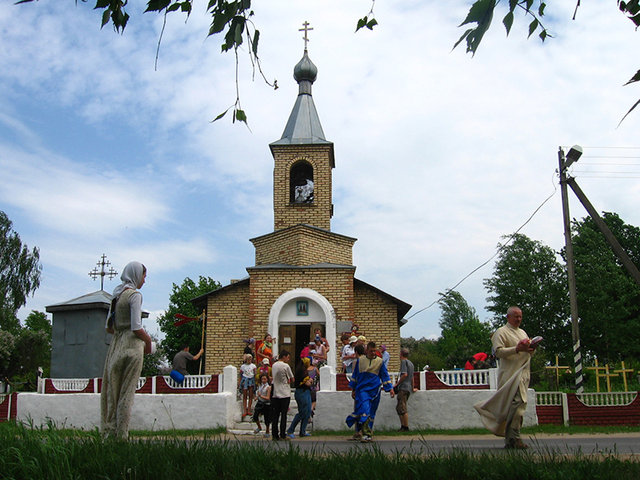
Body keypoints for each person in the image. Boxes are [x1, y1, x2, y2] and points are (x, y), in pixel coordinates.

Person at [100, 261, 152, 439]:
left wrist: (120, 334)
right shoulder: (134, 295)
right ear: (137, 275)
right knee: (126, 394)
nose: (144, 280)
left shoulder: (116, 297)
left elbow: (108, 327)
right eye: (144, 276)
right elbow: (137, 326)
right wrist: (148, 342)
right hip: (132, 346)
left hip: (116, 345)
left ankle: (108, 433)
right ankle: (122, 435)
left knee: (111, 392)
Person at [474, 306, 538, 449]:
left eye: (520, 316)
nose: (519, 319)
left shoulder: (522, 332)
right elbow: (498, 352)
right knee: (517, 404)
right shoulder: (501, 332)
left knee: (518, 406)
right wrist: (516, 349)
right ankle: (513, 438)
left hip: (523, 373)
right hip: (510, 375)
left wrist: (531, 348)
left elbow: (526, 352)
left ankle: (512, 438)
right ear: (508, 317)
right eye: (516, 316)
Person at [346, 341, 394, 443]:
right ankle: (365, 433)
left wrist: (390, 389)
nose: (373, 353)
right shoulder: (360, 361)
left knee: (371, 413)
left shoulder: (380, 362)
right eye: (371, 351)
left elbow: (384, 375)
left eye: (374, 351)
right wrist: (353, 389)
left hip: (375, 390)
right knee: (365, 410)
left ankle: (366, 433)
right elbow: (355, 376)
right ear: (367, 350)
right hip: (362, 390)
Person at [286, 357, 313, 438]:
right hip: (302, 392)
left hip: (306, 392)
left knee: (307, 411)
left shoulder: (305, 372)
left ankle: (303, 431)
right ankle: (290, 430)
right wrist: (310, 381)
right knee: (302, 412)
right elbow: (308, 383)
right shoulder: (301, 372)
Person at [271, 349, 294, 441]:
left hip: (275, 393)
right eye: (288, 357)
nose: (288, 359)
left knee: (275, 415)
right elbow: (292, 379)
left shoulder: (273, 365)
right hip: (285, 393)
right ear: (284, 356)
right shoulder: (285, 366)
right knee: (283, 415)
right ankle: (283, 434)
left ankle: (274, 434)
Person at [394, 347, 416, 432]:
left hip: (403, 388)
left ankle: (405, 426)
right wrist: (412, 387)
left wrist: (397, 384)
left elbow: (405, 375)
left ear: (401, 354)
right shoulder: (411, 363)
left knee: (402, 407)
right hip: (408, 388)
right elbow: (412, 377)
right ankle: (403, 426)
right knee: (399, 407)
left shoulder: (403, 362)